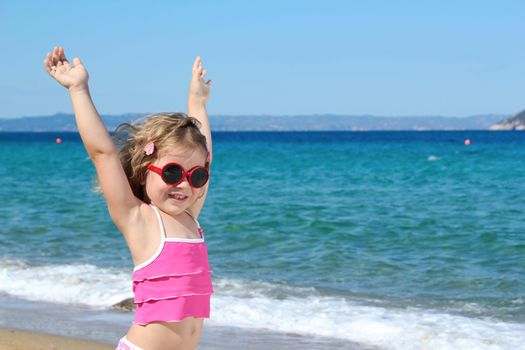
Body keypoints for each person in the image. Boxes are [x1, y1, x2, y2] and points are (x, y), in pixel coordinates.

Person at [44, 46, 214, 350]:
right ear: (145, 169)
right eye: (173, 173)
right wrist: (78, 89)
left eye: (197, 176)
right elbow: (103, 153)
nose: (184, 185)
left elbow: (206, 155)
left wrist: (197, 102)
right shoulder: (139, 220)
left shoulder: (189, 216)